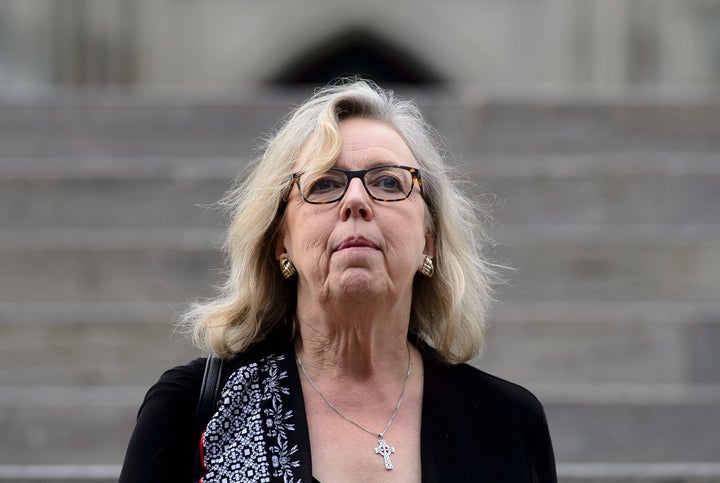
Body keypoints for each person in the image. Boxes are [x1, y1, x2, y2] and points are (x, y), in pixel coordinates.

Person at [119, 79, 557, 482]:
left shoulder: (508, 423)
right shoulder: (191, 409)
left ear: (429, 240)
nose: (355, 201)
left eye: (387, 182)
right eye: (325, 184)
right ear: (280, 243)